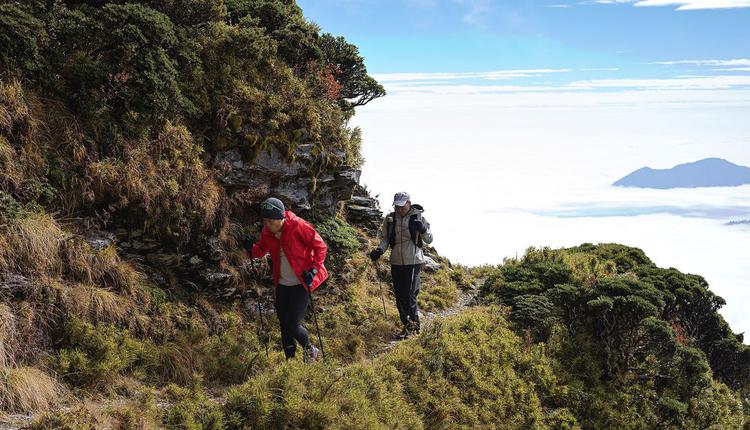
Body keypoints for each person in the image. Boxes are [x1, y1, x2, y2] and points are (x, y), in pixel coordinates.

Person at [243, 197, 328, 362]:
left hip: (302, 282)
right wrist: (249, 248)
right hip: (282, 283)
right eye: (265, 221)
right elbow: (260, 250)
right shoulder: (268, 232)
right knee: (284, 324)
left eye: (271, 221)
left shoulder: (298, 226)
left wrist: (313, 270)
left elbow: (321, 247)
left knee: (292, 323)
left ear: (280, 218)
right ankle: (290, 361)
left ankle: (310, 349)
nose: (267, 225)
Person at [368, 192, 433, 339]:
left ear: (409, 203)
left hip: (414, 261)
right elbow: (385, 239)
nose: (399, 209)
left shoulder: (418, 217)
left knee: (410, 295)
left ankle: (414, 327)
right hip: (396, 261)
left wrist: (422, 229)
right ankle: (407, 325)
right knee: (400, 297)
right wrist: (379, 250)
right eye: (397, 206)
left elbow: (429, 239)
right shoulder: (390, 219)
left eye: (402, 206)